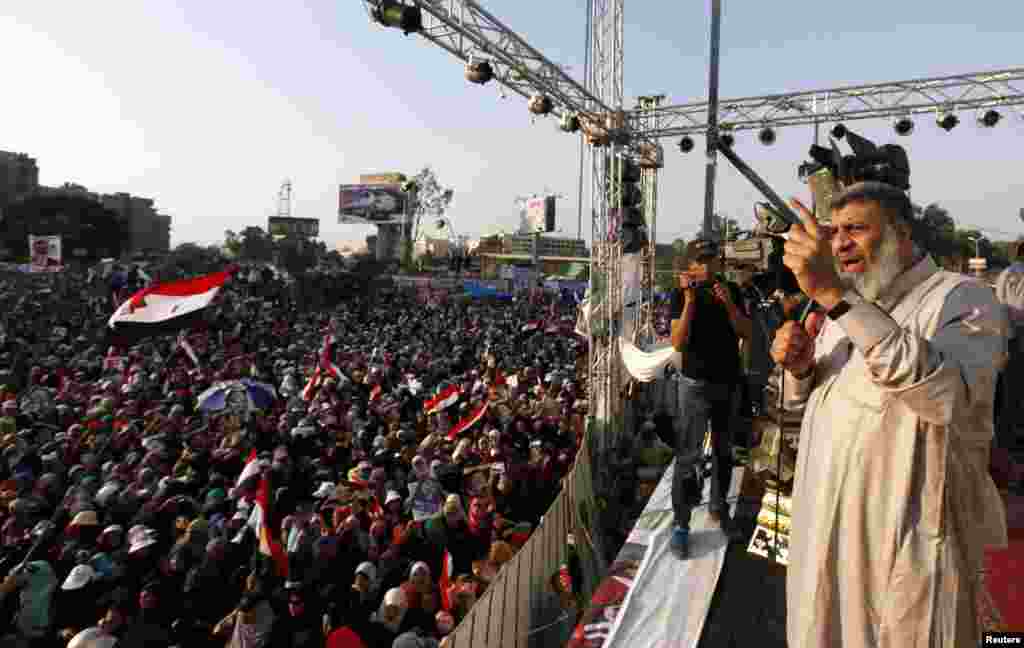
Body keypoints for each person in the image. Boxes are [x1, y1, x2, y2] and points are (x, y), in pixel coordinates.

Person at [770, 181, 1008, 647]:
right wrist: (799, 370)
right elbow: (802, 405)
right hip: (823, 532)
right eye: (833, 231)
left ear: (902, 233)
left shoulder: (964, 299)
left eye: (855, 228)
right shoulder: (847, 304)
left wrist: (837, 296)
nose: (839, 242)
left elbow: (947, 398)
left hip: (900, 544)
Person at [668, 237, 752, 558]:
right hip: (694, 385)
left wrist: (729, 304)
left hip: (727, 381)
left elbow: (746, 332)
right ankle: (681, 523)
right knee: (688, 456)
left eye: (711, 260)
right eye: (700, 262)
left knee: (723, 451)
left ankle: (719, 508)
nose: (706, 267)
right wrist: (689, 301)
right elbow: (677, 342)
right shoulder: (680, 295)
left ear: (719, 263)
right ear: (690, 266)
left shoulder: (732, 290)